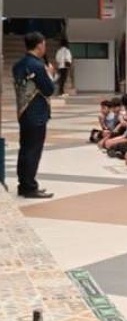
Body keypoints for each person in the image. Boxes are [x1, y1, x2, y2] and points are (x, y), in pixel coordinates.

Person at [12, 32, 56, 198]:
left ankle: (23, 184)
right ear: (39, 45)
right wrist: (50, 73)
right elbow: (49, 89)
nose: (45, 47)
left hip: (23, 111)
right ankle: (30, 187)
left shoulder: (19, 65)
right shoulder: (37, 66)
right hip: (36, 113)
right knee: (33, 150)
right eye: (44, 44)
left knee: (24, 149)